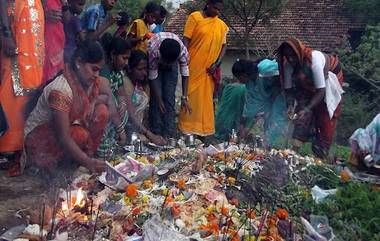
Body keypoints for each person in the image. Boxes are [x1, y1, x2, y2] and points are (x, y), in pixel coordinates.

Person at [23, 41, 109, 175]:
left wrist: (94, 102)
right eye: (94, 69)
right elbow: (63, 136)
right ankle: (70, 165)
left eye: (99, 70)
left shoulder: (89, 82)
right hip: (38, 141)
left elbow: (108, 97)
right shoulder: (61, 89)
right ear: (79, 63)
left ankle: (82, 161)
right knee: (80, 134)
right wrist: (87, 161)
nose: (97, 75)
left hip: (67, 133)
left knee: (101, 111)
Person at [278, 38, 344, 158]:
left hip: (328, 79)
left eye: (293, 55)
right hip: (308, 86)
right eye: (288, 56)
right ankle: (293, 151)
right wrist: (290, 106)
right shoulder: (288, 65)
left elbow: (321, 91)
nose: (291, 59)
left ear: (299, 52)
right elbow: (288, 90)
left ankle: (322, 155)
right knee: (301, 115)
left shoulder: (314, 62)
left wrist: (307, 108)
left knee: (324, 116)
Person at [0, 0, 45, 172]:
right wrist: (5, 33)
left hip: (33, 44)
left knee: (29, 93)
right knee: (11, 88)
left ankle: (20, 147)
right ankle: (6, 146)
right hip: (16, 35)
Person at [178, 0, 228, 138]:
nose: (218, 12)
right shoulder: (195, 17)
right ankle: (187, 132)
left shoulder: (221, 25)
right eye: (215, 8)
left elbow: (224, 46)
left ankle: (203, 133)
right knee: (190, 98)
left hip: (209, 71)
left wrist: (216, 64)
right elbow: (186, 39)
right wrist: (183, 59)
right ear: (208, 5)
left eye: (220, 10)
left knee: (205, 103)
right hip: (193, 66)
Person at [148, 32, 191, 139]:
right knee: (155, 100)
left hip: (170, 62)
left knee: (169, 98)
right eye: (165, 62)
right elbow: (153, 77)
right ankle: (155, 133)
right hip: (156, 59)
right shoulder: (153, 50)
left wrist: (184, 97)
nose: (166, 65)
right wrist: (158, 99)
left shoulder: (183, 52)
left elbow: (185, 74)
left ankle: (168, 135)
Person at [237, 59, 288, 148]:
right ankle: (267, 145)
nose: (238, 81)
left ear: (244, 75)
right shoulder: (250, 85)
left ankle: (277, 145)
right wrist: (243, 124)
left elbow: (283, 77)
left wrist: (271, 107)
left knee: (275, 120)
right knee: (266, 122)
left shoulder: (265, 69)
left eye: (238, 78)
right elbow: (250, 105)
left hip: (283, 93)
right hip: (270, 98)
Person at [97, 34, 130, 157]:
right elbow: (109, 101)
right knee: (109, 107)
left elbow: (121, 94)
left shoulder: (117, 72)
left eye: (128, 59)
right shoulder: (104, 70)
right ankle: (102, 152)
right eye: (124, 58)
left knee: (123, 107)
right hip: (99, 112)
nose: (126, 63)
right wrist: (121, 130)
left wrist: (122, 102)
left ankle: (112, 146)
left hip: (112, 113)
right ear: (112, 55)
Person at [125, 50, 166, 145]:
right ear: (130, 68)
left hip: (138, 129)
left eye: (145, 69)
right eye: (140, 69)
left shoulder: (142, 84)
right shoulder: (126, 82)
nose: (144, 73)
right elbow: (131, 116)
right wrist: (149, 135)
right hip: (126, 129)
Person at [215, 62, 247, 141]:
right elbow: (246, 111)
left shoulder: (228, 87)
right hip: (232, 127)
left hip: (219, 125)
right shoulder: (245, 89)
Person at [43, 0, 69, 83]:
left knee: (54, 81)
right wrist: (44, 14)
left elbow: (66, 20)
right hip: (43, 41)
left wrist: (65, 4)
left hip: (57, 43)